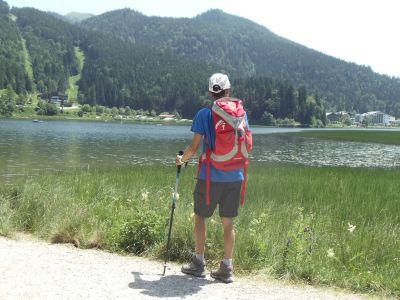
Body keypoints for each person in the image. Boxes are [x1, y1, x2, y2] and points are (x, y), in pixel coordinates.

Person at [176, 73, 251, 283]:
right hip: (236, 175)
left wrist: (182, 159)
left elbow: (193, 147)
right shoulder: (241, 115)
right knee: (229, 223)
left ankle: (198, 263)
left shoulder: (204, 114)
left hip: (210, 177)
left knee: (200, 216)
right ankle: (227, 267)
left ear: (210, 92)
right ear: (229, 90)